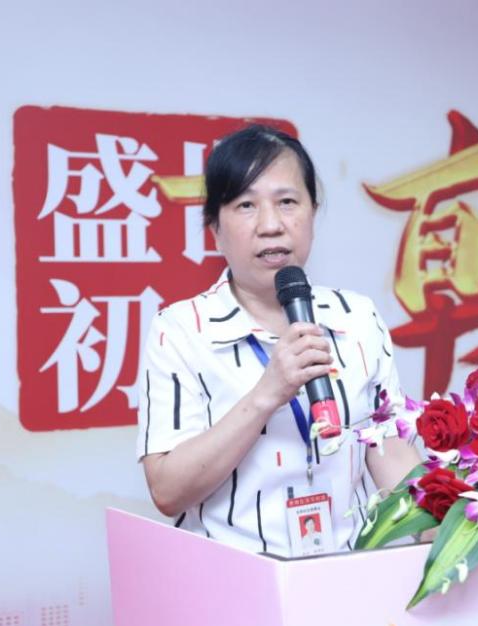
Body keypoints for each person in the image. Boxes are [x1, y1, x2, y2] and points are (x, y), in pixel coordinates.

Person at [137, 124, 420, 556]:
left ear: (312, 212)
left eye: (287, 202)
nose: (271, 225)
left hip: (348, 572)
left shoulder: (357, 318)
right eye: (246, 205)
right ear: (214, 228)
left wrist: (457, 536)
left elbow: (391, 452)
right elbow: (167, 490)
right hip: (232, 577)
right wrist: (268, 393)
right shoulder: (179, 330)